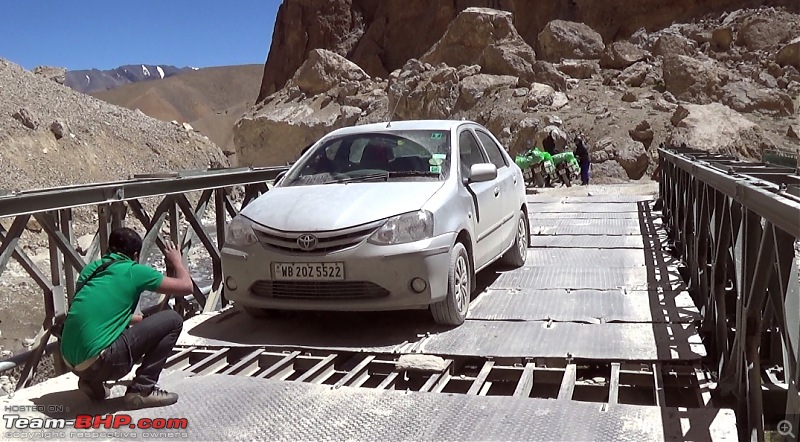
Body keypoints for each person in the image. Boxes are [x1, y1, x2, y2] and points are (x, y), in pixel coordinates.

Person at [60, 227, 194, 409]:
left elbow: (99, 314)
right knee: (173, 319)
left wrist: (143, 320)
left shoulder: (90, 271)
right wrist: (177, 262)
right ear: (136, 255)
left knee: (98, 339)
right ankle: (142, 390)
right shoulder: (133, 271)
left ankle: (91, 382)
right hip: (103, 362)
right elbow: (187, 287)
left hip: (71, 362)